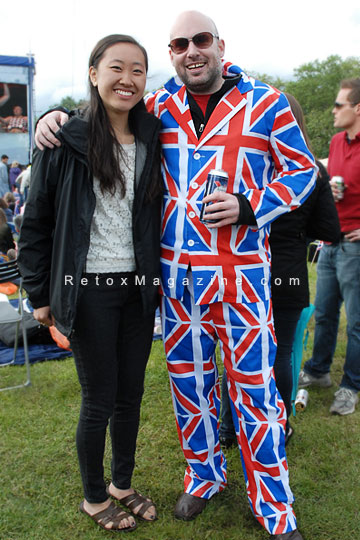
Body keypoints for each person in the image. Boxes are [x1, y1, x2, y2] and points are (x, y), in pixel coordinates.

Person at [35, 12, 317, 539]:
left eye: (201, 40)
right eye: (180, 43)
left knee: (254, 392)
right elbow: (104, 116)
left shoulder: (266, 102)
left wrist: (251, 204)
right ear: (171, 54)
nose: (192, 50)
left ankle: (274, 506)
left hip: (241, 280)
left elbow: (303, 171)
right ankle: (204, 476)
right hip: (175, 283)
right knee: (189, 387)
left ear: (219, 45)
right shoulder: (157, 106)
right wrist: (52, 114)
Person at [18, 34, 163, 532]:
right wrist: (39, 295)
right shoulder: (65, 140)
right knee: (98, 397)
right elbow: (34, 224)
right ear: (93, 72)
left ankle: (123, 483)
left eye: (138, 70)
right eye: (117, 67)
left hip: (140, 289)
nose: (127, 79)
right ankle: (94, 496)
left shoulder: (153, 136)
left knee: (131, 393)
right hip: (88, 289)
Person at [219, 93, 341, 447]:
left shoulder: (249, 164)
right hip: (286, 273)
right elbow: (330, 232)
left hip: (248, 271)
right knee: (281, 353)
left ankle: (230, 429)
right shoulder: (313, 173)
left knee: (238, 354)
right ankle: (279, 426)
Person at [298, 78, 360, 416]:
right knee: (323, 313)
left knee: (357, 323)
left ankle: (350, 386)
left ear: (358, 109)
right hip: (331, 242)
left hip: (356, 247)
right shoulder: (337, 142)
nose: (333, 110)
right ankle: (319, 370)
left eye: (339, 105)